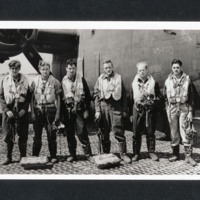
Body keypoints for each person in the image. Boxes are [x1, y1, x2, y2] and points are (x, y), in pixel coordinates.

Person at [93, 59, 131, 163]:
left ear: (112, 67)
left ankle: (123, 154)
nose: (108, 69)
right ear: (103, 69)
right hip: (104, 106)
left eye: (109, 67)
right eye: (106, 68)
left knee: (118, 131)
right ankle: (106, 154)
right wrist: (97, 110)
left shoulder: (118, 78)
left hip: (116, 107)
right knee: (104, 132)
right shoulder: (100, 79)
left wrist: (124, 110)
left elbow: (124, 95)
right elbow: (96, 95)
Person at [164, 59, 197, 166]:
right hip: (172, 108)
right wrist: (167, 109)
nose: (176, 69)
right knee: (174, 132)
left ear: (181, 68)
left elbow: (192, 97)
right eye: (174, 68)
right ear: (171, 68)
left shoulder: (187, 80)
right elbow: (165, 97)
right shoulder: (167, 81)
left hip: (184, 108)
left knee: (186, 131)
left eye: (177, 67)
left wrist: (191, 112)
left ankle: (188, 156)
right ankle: (175, 154)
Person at [62, 59, 93, 163]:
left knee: (82, 132)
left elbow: (88, 96)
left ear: (76, 68)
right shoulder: (63, 81)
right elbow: (62, 98)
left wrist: (87, 110)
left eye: (73, 68)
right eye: (69, 68)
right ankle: (72, 154)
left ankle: (88, 155)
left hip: (80, 109)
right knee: (70, 133)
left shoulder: (81, 80)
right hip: (68, 111)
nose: (71, 70)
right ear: (66, 68)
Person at [130, 61, 162, 162]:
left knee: (150, 131)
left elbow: (159, 96)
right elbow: (131, 98)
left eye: (143, 70)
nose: (141, 72)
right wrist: (131, 113)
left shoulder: (153, 82)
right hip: (138, 109)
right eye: (139, 70)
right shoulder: (134, 83)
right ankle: (136, 153)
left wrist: (153, 103)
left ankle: (151, 152)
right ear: (137, 71)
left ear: (147, 70)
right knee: (136, 132)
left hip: (149, 110)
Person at [0, 60, 31, 165]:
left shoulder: (25, 80)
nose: (14, 70)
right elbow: (1, 97)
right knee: (7, 135)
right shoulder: (4, 80)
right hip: (9, 110)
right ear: (10, 69)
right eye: (12, 68)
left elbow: (28, 97)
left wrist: (24, 109)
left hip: (21, 110)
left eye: (16, 68)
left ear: (19, 69)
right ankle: (8, 157)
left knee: (23, 135)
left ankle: (23, 157)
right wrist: (6, 110)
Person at [30, 60, 61, 164]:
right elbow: (32, 98)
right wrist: (32, 112)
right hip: (38, 110)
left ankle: (53, 155)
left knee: (51, 134)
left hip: (50, 109)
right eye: (43, 69)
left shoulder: (55, 82)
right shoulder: (34, 82)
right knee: (37, 135)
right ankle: (35, 155)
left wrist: (57, 114)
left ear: (49, 69)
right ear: (39, 70)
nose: (45, 71)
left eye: (47, 69)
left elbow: (58, 98)